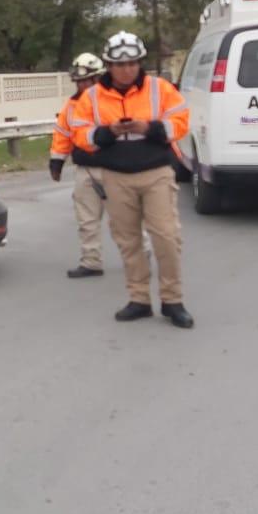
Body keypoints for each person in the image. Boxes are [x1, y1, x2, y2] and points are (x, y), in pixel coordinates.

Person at [71, 32, 195, 329]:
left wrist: (149, 127)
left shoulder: (160, 89)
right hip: (116, 176)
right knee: (128, 241)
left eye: (132, 63)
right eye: (120, 64)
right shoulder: (91, 97)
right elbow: (80, 133)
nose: (127, 69)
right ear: (109, 66)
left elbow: (180, 123)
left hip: (156, 173)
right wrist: (108, 132)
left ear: (140, 63)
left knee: (166, 236)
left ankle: (172, 300)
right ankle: (139, 299)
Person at [50, 53, 108, 279]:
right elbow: (63, 134)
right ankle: (91, 262)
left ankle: (141, 257)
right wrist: (57, 161)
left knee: (127, 219)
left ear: (98, 78)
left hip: (115, 169)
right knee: (87, 219)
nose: (82, 85)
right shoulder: (72, 106)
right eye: (79, 81)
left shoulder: (113, 101)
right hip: (85, 170)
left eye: (86, 80)